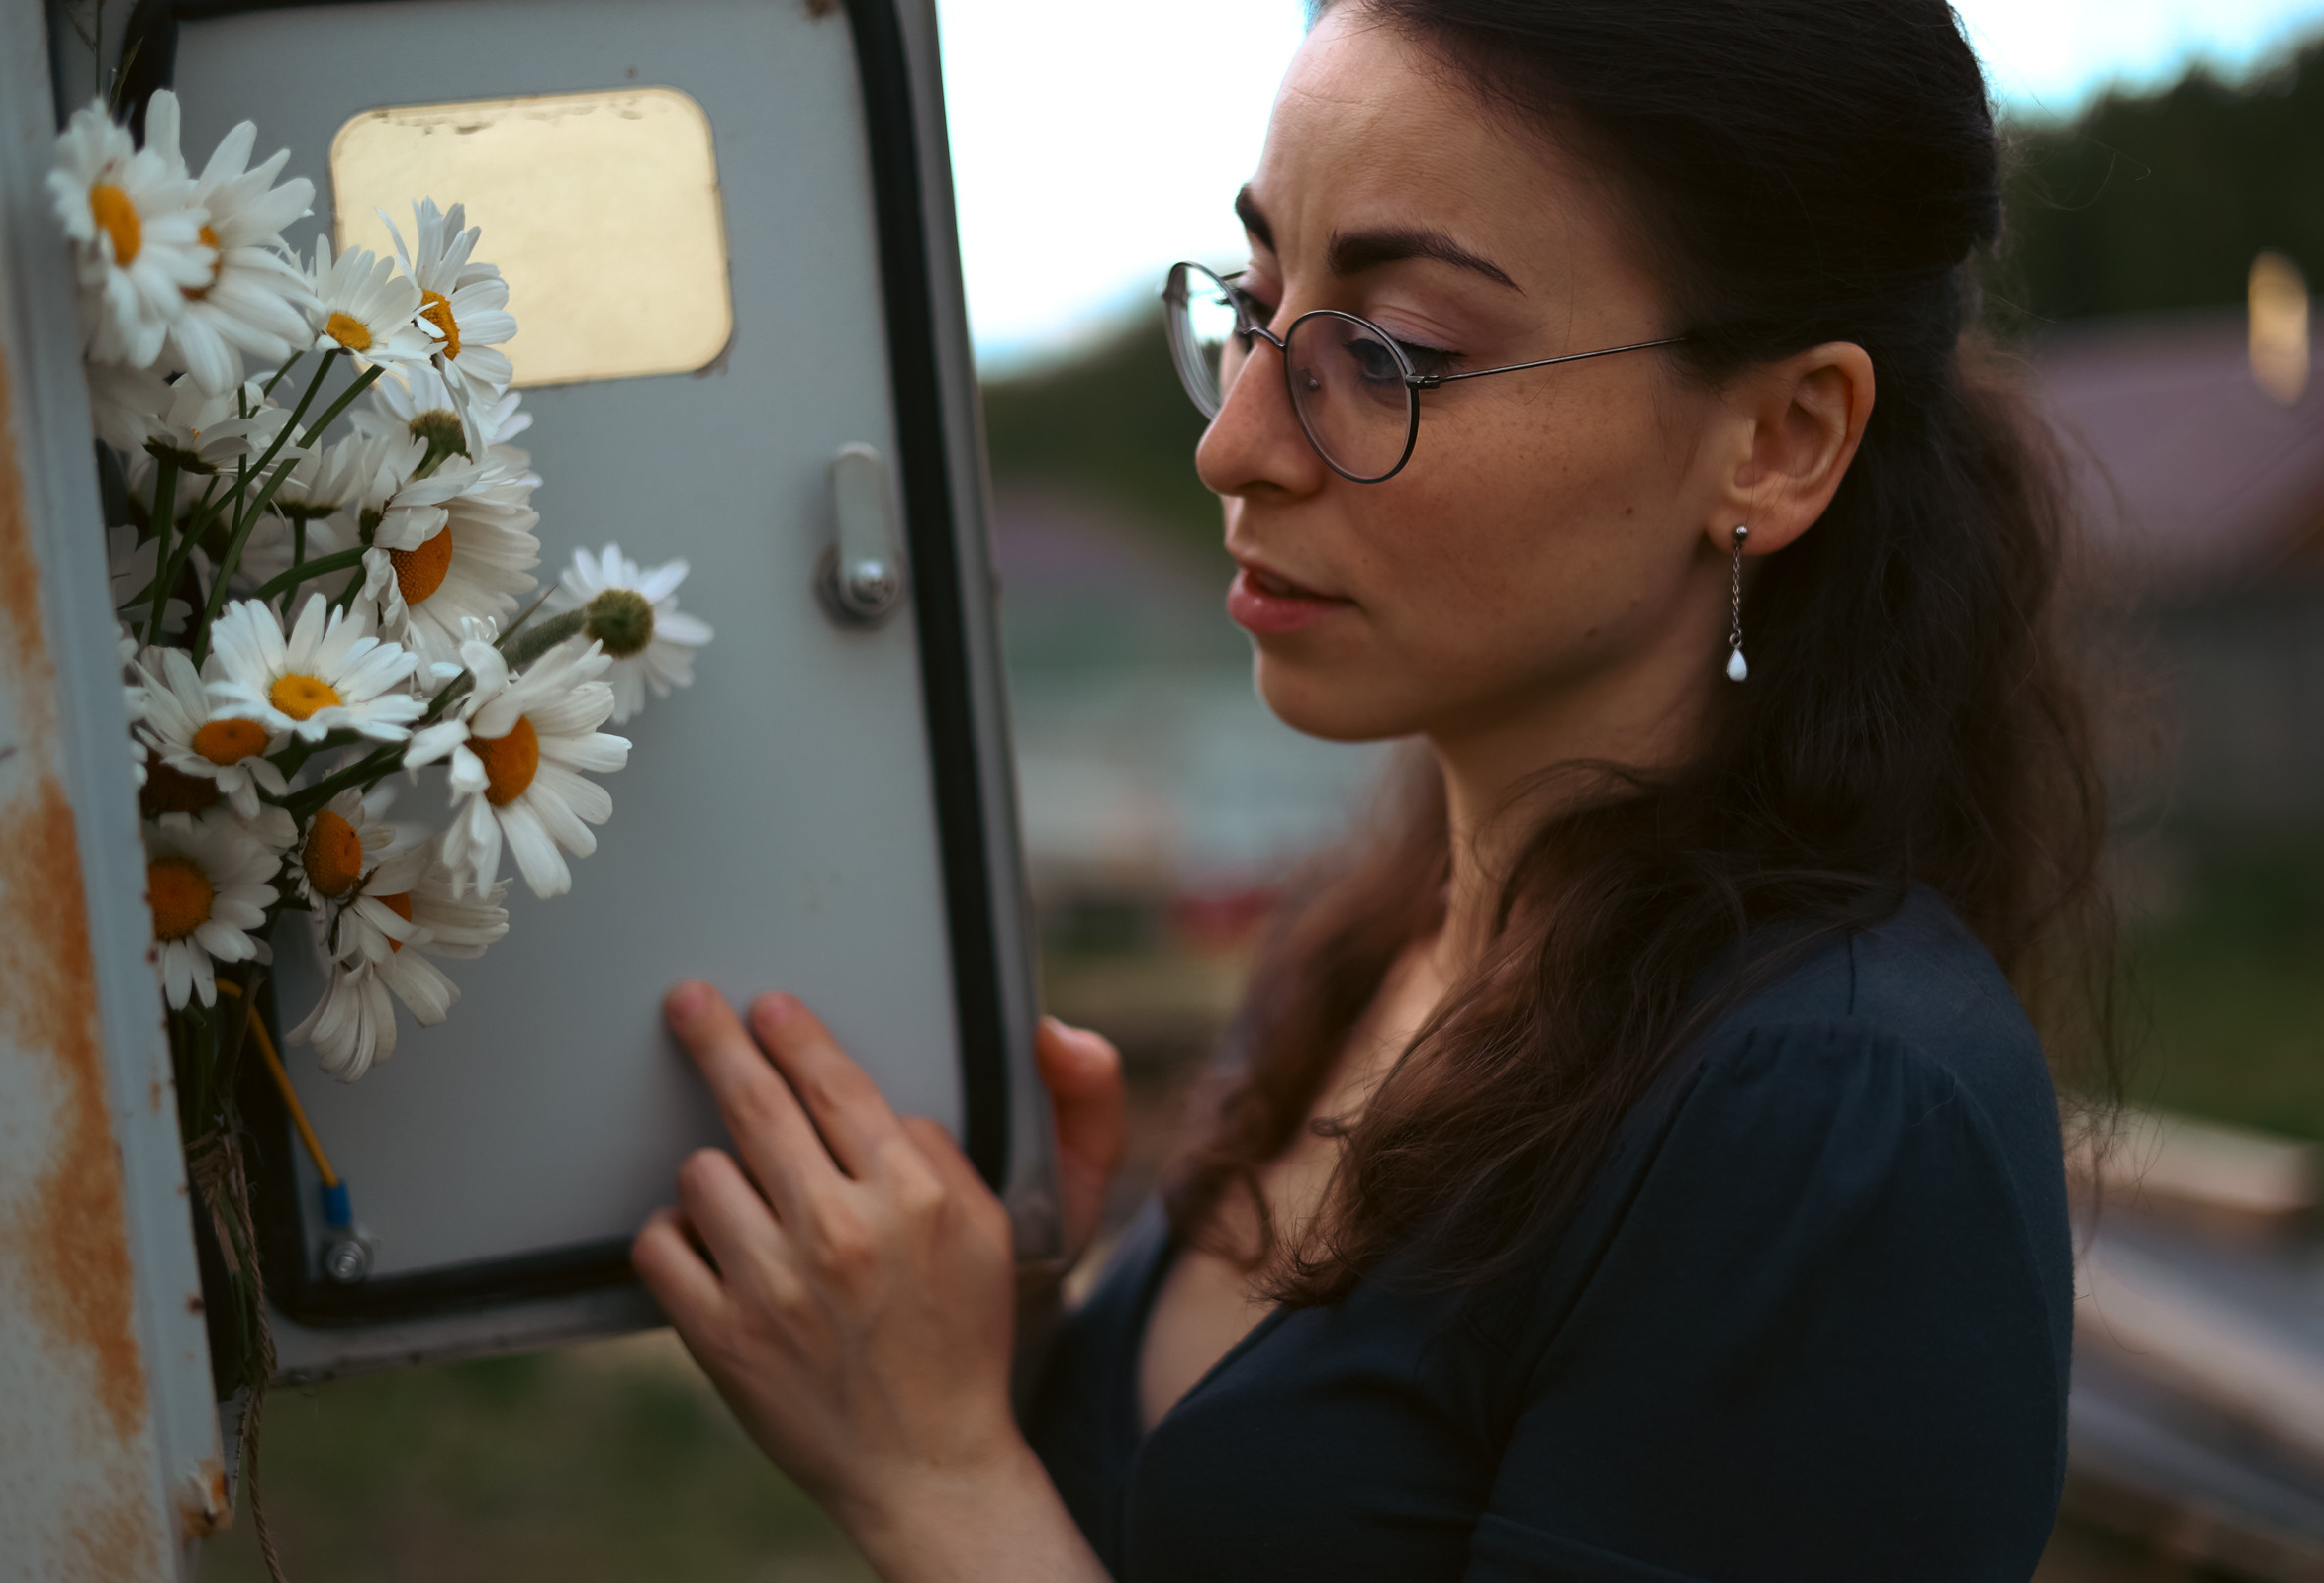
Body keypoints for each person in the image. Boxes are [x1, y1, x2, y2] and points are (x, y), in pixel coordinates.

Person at [629, 1, 2114, 1577]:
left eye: (1394, 353)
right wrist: (1002, 1349)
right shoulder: (1386, 939)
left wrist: (936, 1475)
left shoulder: (1835, 1124)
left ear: (1776, 440)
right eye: (1255, 303)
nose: (1237, 445)